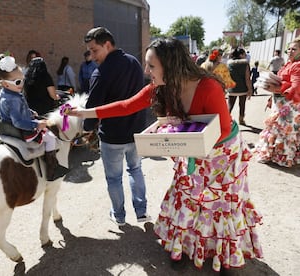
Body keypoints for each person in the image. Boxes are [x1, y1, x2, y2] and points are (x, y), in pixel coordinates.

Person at [69, 37, 263, 272]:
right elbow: (126, 105)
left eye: (151, 66)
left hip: (221, 153)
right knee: (187, 199)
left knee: (216, 205)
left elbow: (221, 129)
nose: (146, 71)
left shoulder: (208, 86)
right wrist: (85, 112)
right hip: (191, 147)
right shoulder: (161, 87)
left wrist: (185, 137)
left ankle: (221, 256)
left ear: (169, 65)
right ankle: (182, 247)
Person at [83, 26, 150, 226]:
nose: (92, 56)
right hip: (137, 132)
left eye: (95, 50)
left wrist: (87, 128)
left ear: (108, 45)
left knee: (114, 178)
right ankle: (141, 212)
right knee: (136, 170)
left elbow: (92, 108)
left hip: (112, 136)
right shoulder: (134, 63)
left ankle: (119, 215)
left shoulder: (100, 73)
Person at [0, 53, 66, 181]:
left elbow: (17, 110)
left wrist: (30, 112)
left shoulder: (7, 92)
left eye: (22, 80)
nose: (21, 84)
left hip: (10, 125)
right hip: (21, 129)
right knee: (51, 137)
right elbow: (19, 121)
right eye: (18, 82)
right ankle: (52, 169)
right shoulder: (13, 98)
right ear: (5, 83)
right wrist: (36, 124)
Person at [255, 37, 300, 168]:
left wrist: (276, 89)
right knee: (277, 129)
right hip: (281, 103)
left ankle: (283, 158)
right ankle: (274, 155)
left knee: (283, 131)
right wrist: (272, 96)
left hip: (289, 106)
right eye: (289, 49)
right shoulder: (289, 63)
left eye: (294, 49)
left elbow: (296, 87)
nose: (290, 51)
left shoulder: (297, 65)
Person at [227, 47, 253, 125]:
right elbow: (247, 78)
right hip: (243, 89)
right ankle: (241, 120)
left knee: (230, 105)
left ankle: (226, 120)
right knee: (242, 105)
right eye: (244, 54)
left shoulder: (229, 63)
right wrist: (250, 89)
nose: (245, 55)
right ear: (241, 55)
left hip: (232, 88)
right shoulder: (245, 64)